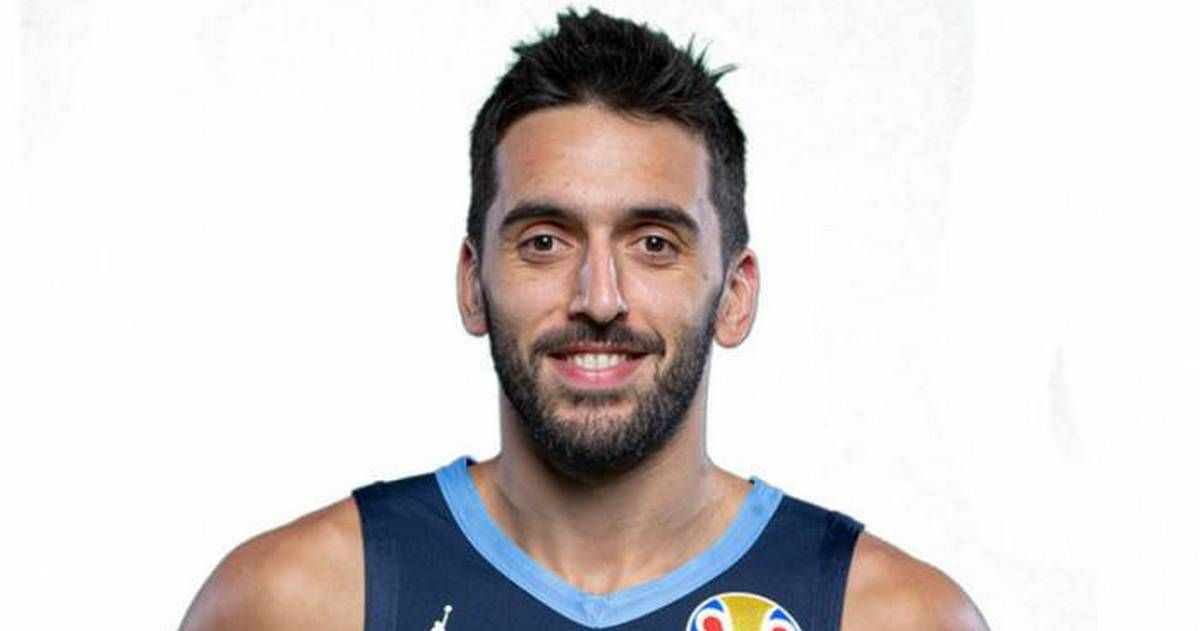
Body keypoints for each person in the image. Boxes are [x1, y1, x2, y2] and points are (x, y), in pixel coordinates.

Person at [180, 8, 988, 631]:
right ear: (472, 283)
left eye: (653, 243)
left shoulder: (891, 616)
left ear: (735, 293)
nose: (599, 297)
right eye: (544, 240)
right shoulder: (297, 602)